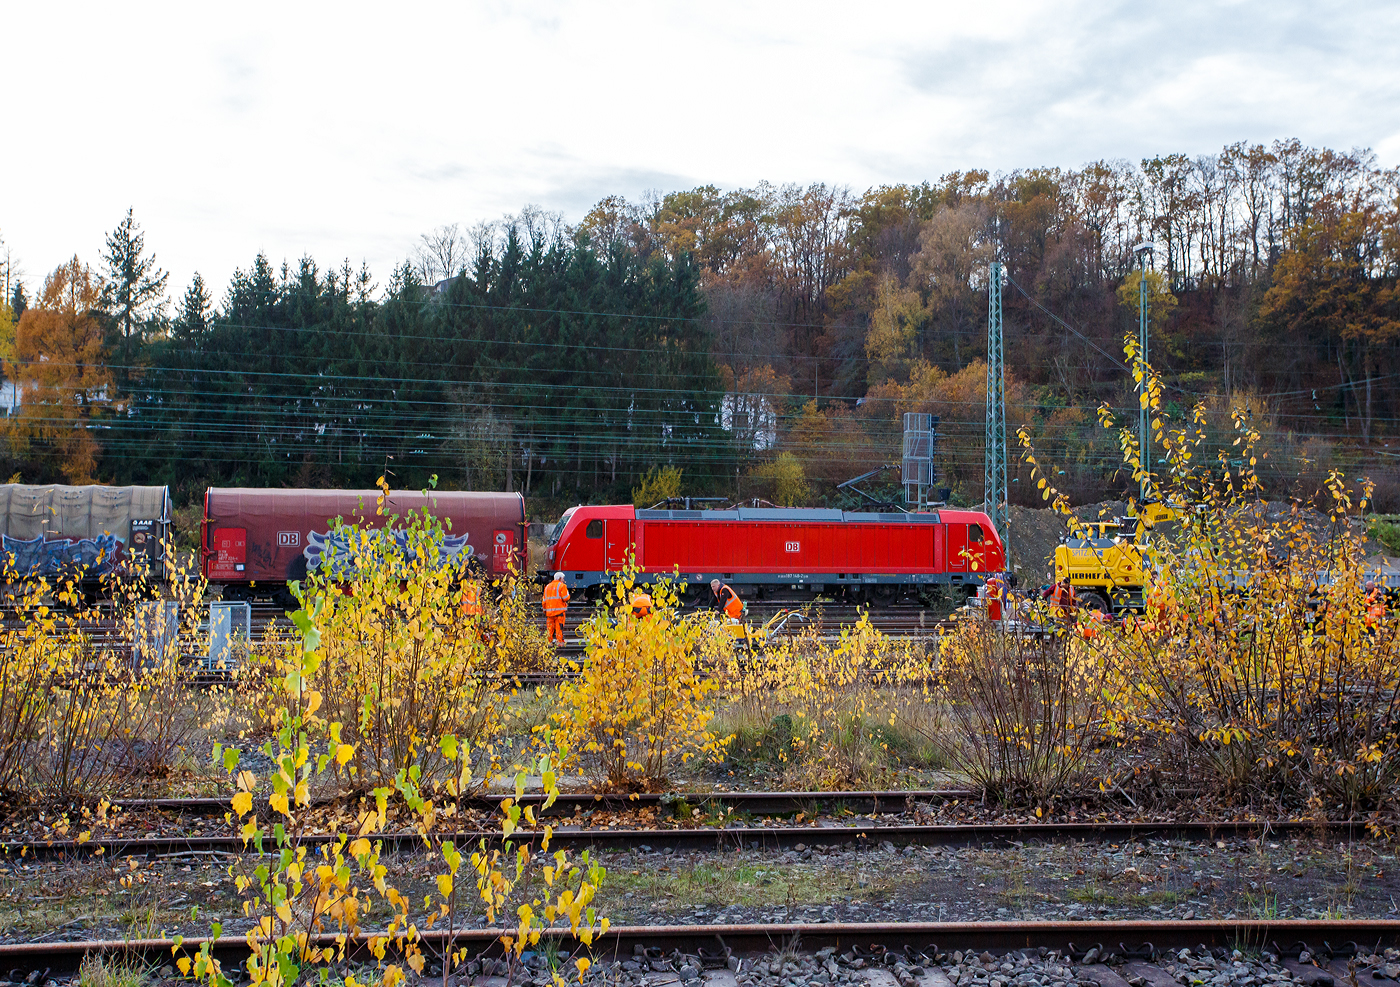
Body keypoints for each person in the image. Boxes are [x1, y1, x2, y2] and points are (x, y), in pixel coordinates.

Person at [542, 571, 570, 646]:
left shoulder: (547, 587)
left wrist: (545, 611)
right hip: (559, 612)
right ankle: (559, 642)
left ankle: (549, 642)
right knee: (559, 628)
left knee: (550, 629)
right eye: (563, 578)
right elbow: (566, 598)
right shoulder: (562, 586)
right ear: (560, 578)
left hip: (549, 613)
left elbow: (544, 601)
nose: (564, 580)